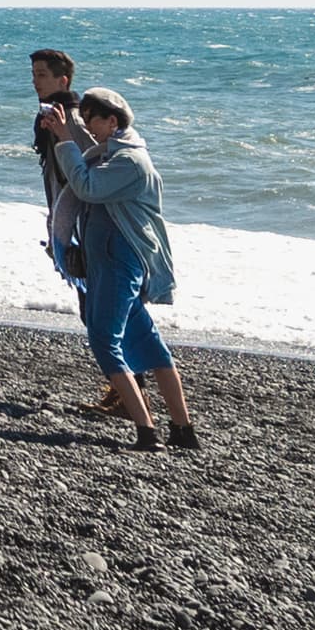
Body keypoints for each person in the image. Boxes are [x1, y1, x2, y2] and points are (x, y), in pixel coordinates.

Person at [57, 87, 201, 451]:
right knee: (146, 344)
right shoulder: (110, 154)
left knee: (105, 341)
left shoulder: (129, 163)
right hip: (111, 261)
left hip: (119, 263)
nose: (87, 124)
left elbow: (86, 187)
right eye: (84, 116)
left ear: (113, 121)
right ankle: (182, 431)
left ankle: (147, 432)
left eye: (92, 118)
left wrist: (63, 141)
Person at [31, 49, 117, 412]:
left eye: (42, 75)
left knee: (97, 311)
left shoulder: (73, 120)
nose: (35, 81)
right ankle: (122, 388)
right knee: (91, 310)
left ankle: (127, 391)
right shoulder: (50, 117)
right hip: (69, 222)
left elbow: (93, 165)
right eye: (33, 74)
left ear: (62, 80)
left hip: (87, 226)